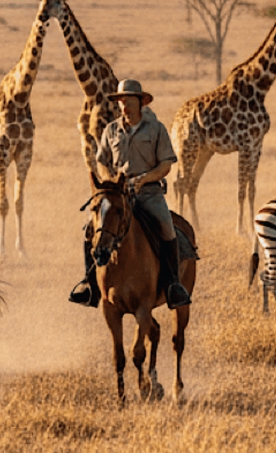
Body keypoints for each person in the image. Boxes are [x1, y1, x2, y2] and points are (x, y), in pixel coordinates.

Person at [70, 78, 192, 309]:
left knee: (166, 227)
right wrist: (112, 184)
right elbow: (102, 162)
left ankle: (174, 284)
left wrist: (144, 179)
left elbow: (166, 165)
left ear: (141, 102)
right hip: (118, 194)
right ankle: (90, 285)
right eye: (121, 100)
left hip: (149, 193)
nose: (124, 105)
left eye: (129, 100)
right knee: (90, 229)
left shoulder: (156, 129)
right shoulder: (111, 130)